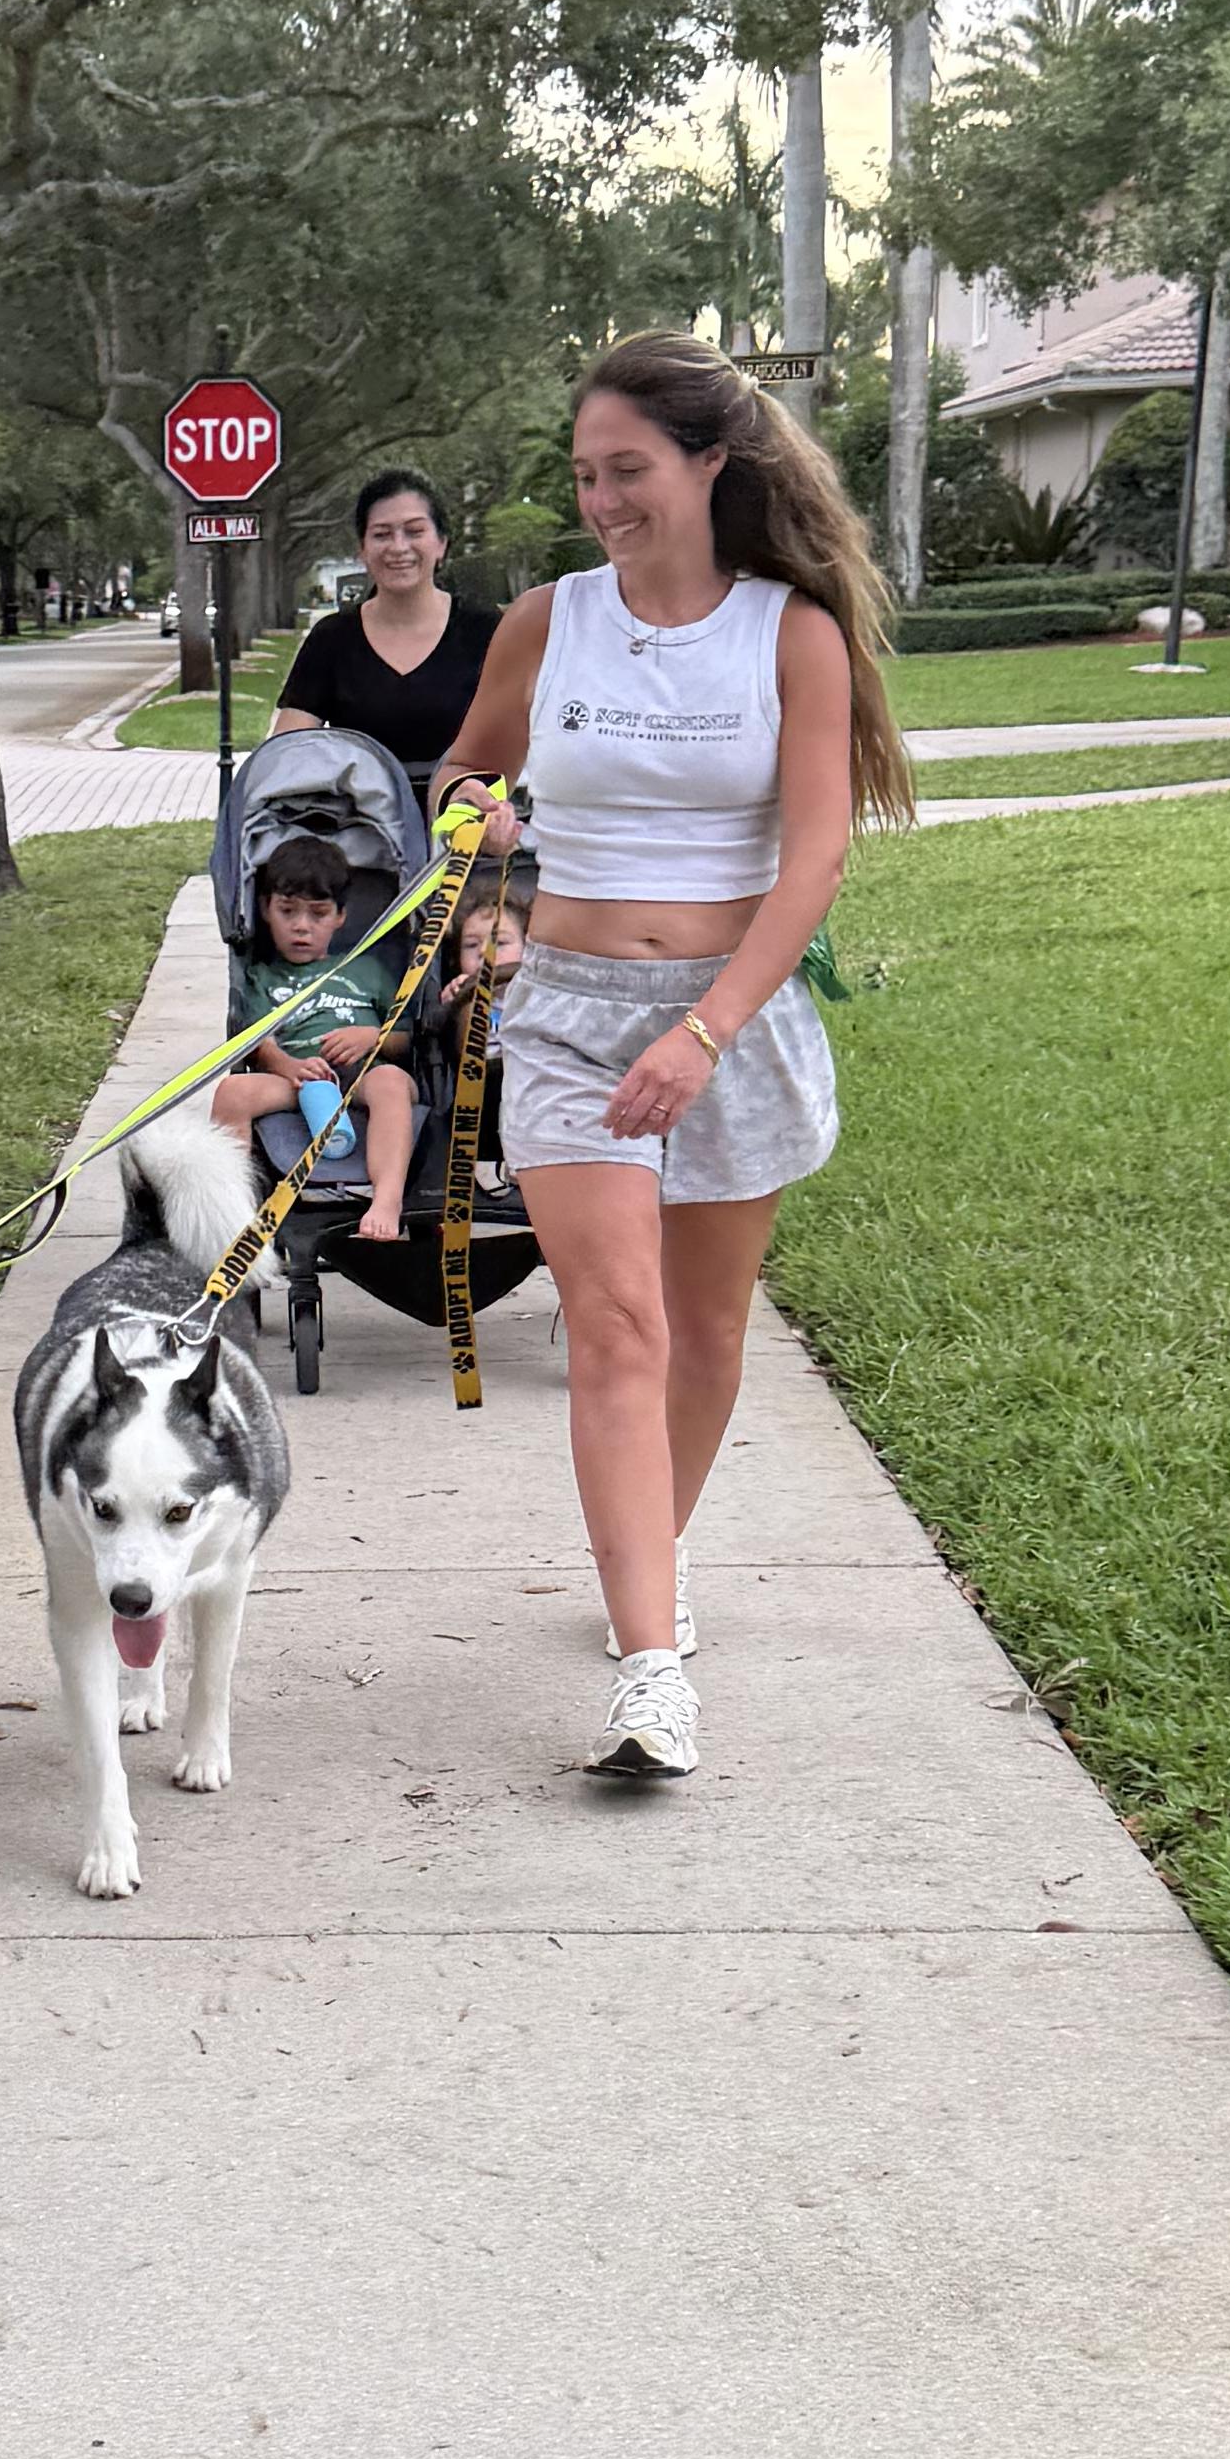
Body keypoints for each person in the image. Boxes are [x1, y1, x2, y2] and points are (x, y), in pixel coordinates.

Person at [436, 333, 913, 1784]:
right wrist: (482, 836)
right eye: (586, 476)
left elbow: (815, 859)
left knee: (707, 1338)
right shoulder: (546, 621)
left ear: (712, 464)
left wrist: (707, 1034)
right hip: (572, 1009)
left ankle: (659, 1557)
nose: (603, 500)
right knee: (619, 1330)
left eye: (628, 470)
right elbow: (461, 778)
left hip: (736, 1013)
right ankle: (652, 1671)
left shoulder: (790, 635)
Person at [213, 838, 422, 1236]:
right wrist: (288, 1066)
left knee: (393, 1083)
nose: (301, 926)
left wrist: (372, 1037)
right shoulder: (262, 977)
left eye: (318, 914)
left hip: (363, 1074)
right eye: (287, 912)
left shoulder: (366, 970)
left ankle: (387, 1200)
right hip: (295, 1080)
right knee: (231, 1093)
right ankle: (232, 1211)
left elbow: (407, 1036)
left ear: (340, 916)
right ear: (265, 910)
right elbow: (258, 1043)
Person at [276, 470, 490, 791]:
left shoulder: (487, 630)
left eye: (415, 531)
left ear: (442, 544)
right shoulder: (332, 638)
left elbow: (525, 739)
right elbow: (286, 752)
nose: (398, 547)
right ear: (362, 550)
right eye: (382, 534)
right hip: (362, 826)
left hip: (468, 824)